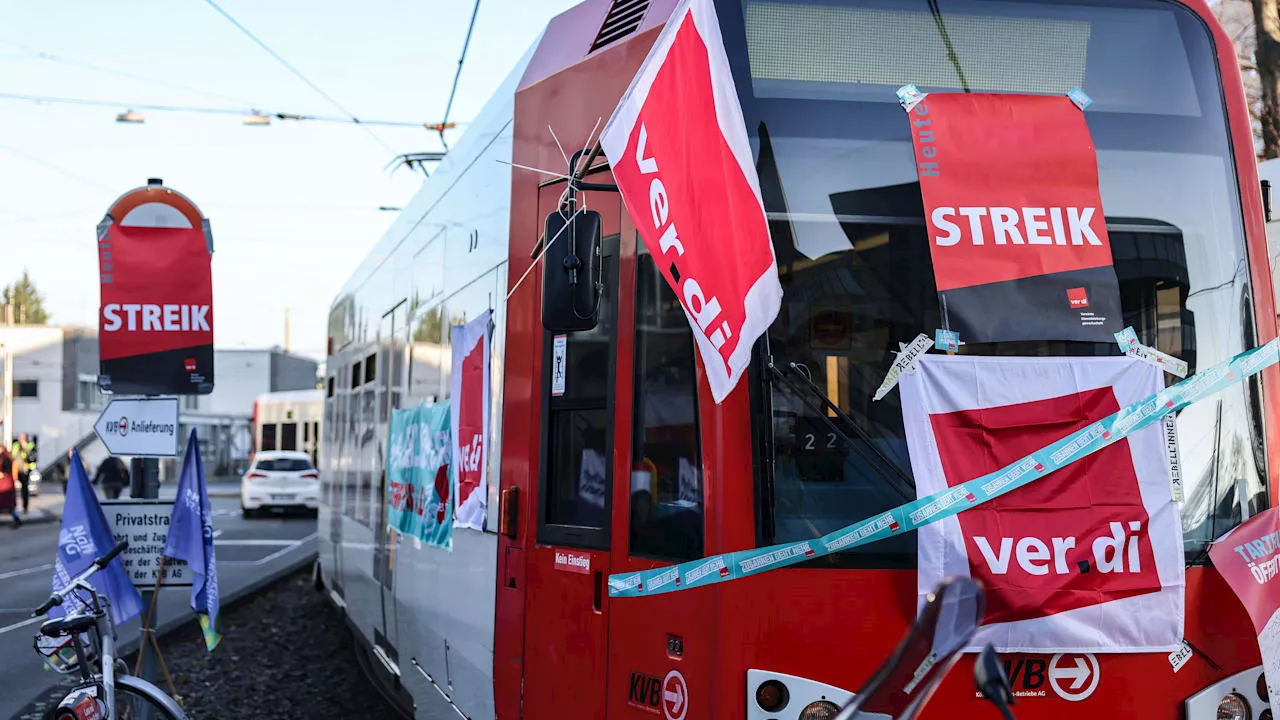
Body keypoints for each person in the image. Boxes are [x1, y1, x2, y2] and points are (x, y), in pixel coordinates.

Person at [11, 433, 33, 514]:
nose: (22, 439)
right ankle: (12, 507)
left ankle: (25, 507)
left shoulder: (30, 444)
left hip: (25, 470)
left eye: (23, 438)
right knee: (12, 488)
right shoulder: (16, 444)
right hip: (16, 469)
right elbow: (14, 455)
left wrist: (24, 446)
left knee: (24, 489)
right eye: (21, 438)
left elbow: (29, 455)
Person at [0, 449, 20, 528]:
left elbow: (7, 470)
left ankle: (17, 519)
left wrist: (3, 474)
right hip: (4, 484)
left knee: (8, 505)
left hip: (6, 485)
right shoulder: (3, 458)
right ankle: (17, 519)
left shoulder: (6, 459)